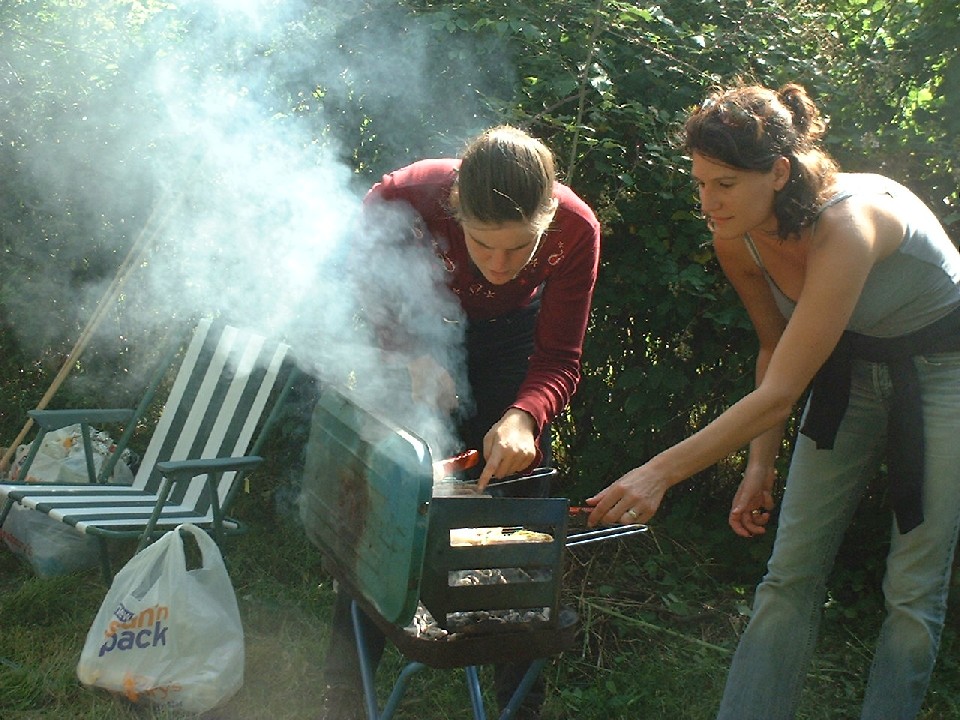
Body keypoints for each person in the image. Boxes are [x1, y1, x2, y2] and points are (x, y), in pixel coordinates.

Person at [586, 81, 960, 719]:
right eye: (700, 182)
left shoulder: (852, 221)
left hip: (946, 373)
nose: (708, 201)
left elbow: (783, 393)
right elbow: (774, 349)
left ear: (779, 172)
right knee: (788, 572)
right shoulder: (739, 236)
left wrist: (659, 472)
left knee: (911, 589)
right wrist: (760, 466)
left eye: (724, 184)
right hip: (850, 374)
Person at [319, 125, 601, 720]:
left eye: (520, 248)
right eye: (484, 244)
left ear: (547, 221)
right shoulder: (405, 196)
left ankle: (519, 706)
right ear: (455, 213)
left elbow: (559, 360)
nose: (501, 265)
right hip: (414, 325)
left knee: (515, 517)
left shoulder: (576, 231)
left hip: (511, 344)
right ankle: (342, 695)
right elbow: (361, 286)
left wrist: (525, 415)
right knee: (382, 505)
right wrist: (407, 353)